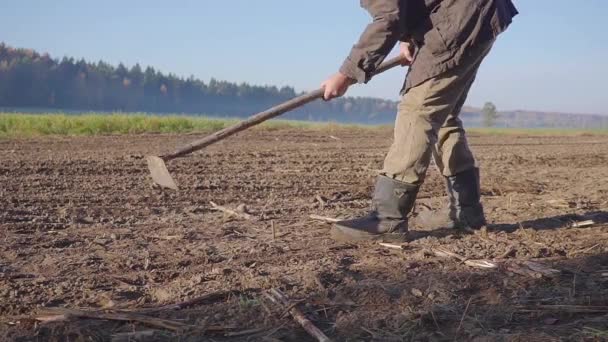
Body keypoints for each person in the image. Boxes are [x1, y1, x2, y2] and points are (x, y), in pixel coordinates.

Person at [321, 0, 518, 242]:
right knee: (442, 116)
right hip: (476, 12)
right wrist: (408, 40)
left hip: (462, 15)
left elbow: (388, 18)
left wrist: (346, 74)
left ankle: (388, 219)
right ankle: (468, 213)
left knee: (418, 111)